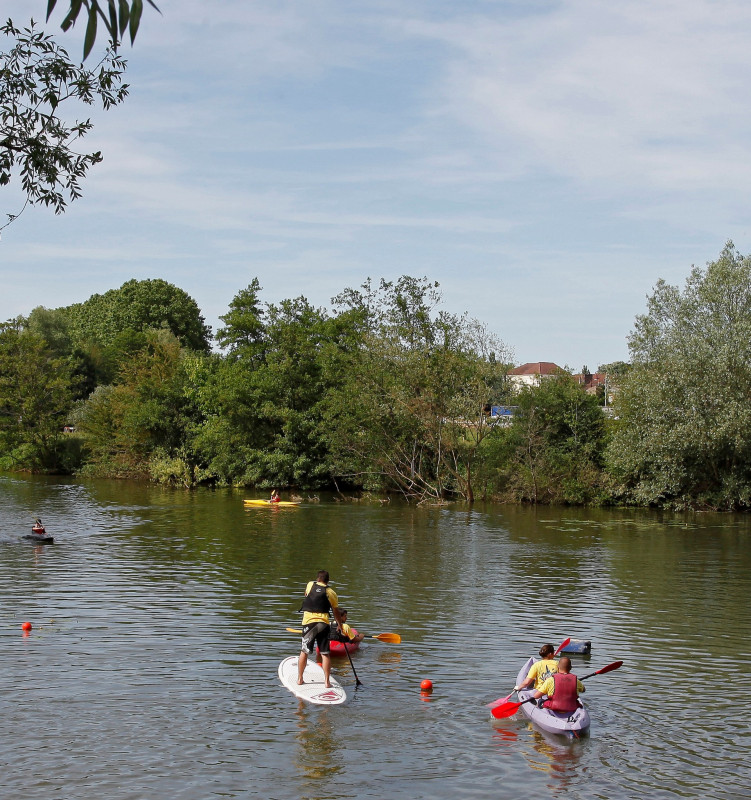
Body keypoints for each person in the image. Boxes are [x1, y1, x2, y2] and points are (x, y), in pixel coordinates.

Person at [297, 570, 344, 688]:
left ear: (318, 579)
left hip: (309, 623)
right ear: (328, 581)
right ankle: (327, 682)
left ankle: (300, 679)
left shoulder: (310, 584)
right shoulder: (331, 592)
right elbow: (336, 611)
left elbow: (306, 595)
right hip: (323, 624)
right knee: (325, 653)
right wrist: (340, 625)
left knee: (304, 651)